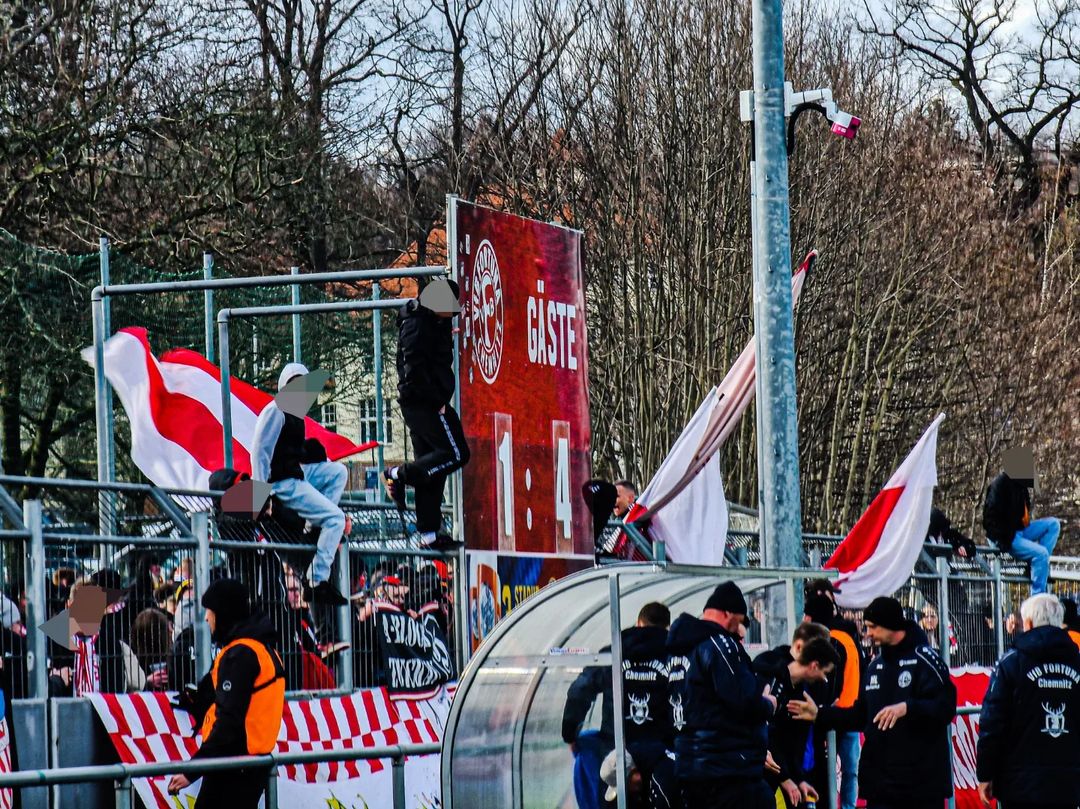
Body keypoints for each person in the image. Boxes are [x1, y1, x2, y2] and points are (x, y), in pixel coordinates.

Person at [819, 596, 956, 809]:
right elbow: (860, 716)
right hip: (881, 788)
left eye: (873, 627)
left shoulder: (926, 660)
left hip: (920, 788)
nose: (868, 633)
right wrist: (819, 715)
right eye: (866, 627)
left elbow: (945, 707)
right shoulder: (875, 667)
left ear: (891, 625)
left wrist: (908, 708)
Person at [168, 578, 285, 807]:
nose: (206, 618)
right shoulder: (261, 648)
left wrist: (192, 770)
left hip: (232, 767)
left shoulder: (240, 655)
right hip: (249, 764)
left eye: (210, 611)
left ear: (223, 613)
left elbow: (229, 722)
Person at [666, 581, 776, 809]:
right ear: (727, 614)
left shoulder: (679, 649)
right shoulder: (719, 644)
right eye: (740, 621)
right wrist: (768, 704)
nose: (740, 630)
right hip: (726, 770)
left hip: (690, 767)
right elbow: (744, 699)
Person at [251, 362, 349, 605]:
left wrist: (315, 459)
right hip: (282, 483)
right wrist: (261, 492)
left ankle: (314, 526)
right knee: (335, 518)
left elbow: (292, 451)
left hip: (295, 474)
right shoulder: (276, 410)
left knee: (338, 472)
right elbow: (260, 452)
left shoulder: (296, 416)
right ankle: (315, 580)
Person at [383, 278, 470, 549]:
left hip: (425, 401)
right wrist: (435, 401)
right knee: (455, 453)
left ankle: (429, 534)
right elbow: (414, 369)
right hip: (424, 403)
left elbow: (433, 354)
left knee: (433, 464)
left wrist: (446, 331)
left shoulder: (432, 322)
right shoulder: (417, 326)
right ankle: (398, 474)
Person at [977, 593, 1080, 809]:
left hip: (1020, 783)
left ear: (1029, 623)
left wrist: (985, 773)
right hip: (1068, 781)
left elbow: (992, 723)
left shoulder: (1012, 662)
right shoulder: (1076, 661)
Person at [753, 623, 838, 808]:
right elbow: (768, 734)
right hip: (767, 776)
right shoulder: (773, 678)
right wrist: (785, 777)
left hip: (797, 767)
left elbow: (790, 739)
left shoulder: (802, 686)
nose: (824, 678)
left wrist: (797, 778)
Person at [803, 580, 864, 809]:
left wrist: (826, 711)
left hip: (835, 715)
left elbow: (831, 679)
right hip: (850, 713)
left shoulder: (833, 639)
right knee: (850, 771)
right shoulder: (848, 638)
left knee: (825, 769)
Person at [983, 448, 1060, 594]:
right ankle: (1037, 595)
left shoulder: (1020, 487)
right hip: (1005, 536)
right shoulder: (1000, 485)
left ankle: (1034, 564)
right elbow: (989, 518)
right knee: (1041, 553)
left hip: (1018, 531)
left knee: (1053, 524)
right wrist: (1002, 539)